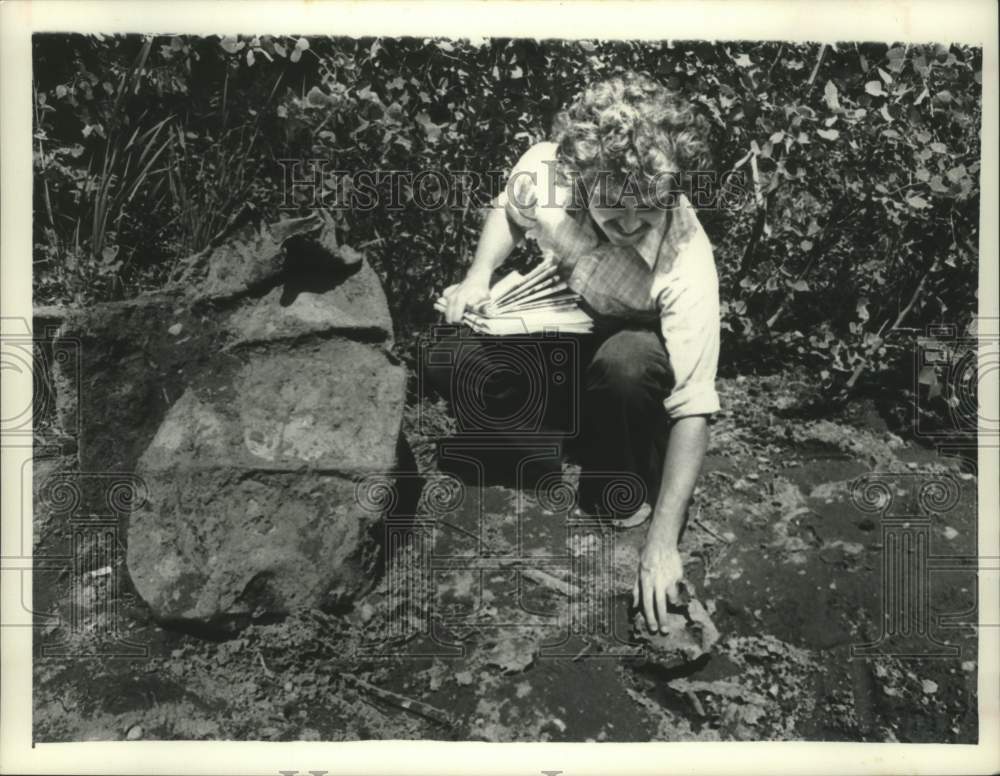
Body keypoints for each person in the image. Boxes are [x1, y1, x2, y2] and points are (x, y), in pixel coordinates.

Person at [431, 72, 720, 635]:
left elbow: (695, 404)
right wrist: (478, 276)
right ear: (580, 179)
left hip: (627, 355)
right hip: (561, 327)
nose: (631, 224)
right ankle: (561, 440)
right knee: (451, 359)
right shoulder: (546, 169)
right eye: (613, 205)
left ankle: (621, 481)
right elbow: (510, 212)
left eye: (649, 208)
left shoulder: (686, 255)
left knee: (626, 364)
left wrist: (662, 546)